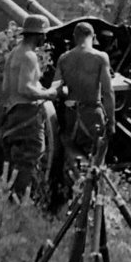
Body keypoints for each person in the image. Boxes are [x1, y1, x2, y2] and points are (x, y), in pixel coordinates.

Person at [0, 14, 60, 197]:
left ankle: (10, 200)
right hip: (28, 114)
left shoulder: (14, 54)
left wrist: (39, 88)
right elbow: (25, 88)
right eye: (43, 34)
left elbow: (6, 88)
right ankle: (23, 203)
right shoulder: (30, 56)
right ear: (38, 35)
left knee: (15, 162)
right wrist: (48, 94)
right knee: (30, 160)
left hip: (12, 114)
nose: (45, 38)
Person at [53, 22, 115, 168]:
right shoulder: (100, 57)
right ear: (94, 38)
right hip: (93, 116)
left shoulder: (64, 58)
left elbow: (56, 88)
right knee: (95, 166)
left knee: (73, 158)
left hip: (72, 116)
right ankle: (93, 188)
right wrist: (111, 122)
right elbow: (108, 92)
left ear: (74, 37)